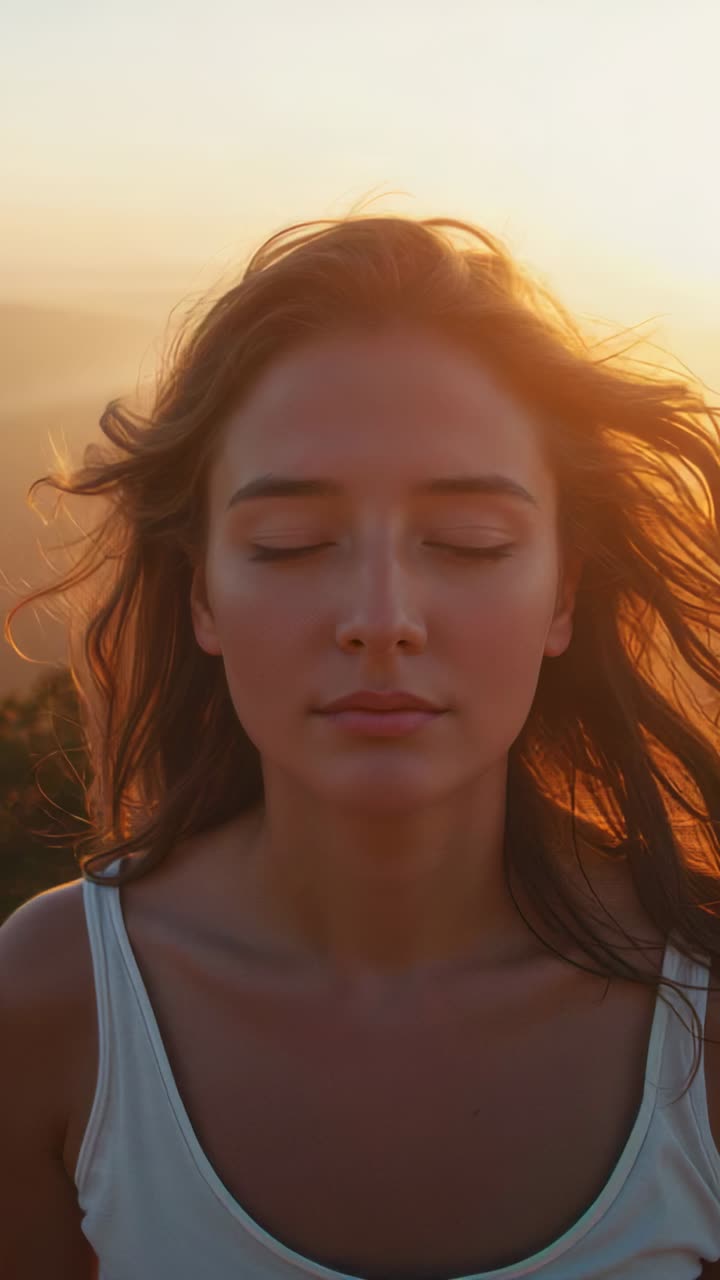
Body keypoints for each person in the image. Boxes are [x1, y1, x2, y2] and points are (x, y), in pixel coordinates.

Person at [2, 211, 720, 1280]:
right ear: (202, 591)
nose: (382, 616)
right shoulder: (55, 1001)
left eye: (467, 541)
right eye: (291, 544)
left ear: (563, 593)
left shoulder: (701, 1007)